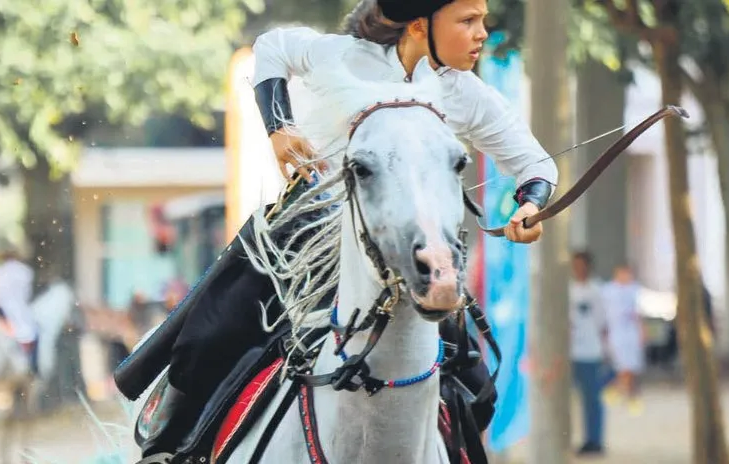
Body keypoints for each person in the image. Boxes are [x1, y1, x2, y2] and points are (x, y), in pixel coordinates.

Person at [133, 0, 559, 459]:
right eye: (468, 20)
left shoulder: (466, 93)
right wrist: (279, 128)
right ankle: (169, 448)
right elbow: (272, 47)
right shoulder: (341, 55)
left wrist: (528, 205)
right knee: (210, 334)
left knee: (476, 385)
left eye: (482, 20)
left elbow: (535, 164)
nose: (482, 33)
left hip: (415, 256)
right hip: (307, 244)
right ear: (420, 24)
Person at [568, 251, 606, 455]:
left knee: (593, 398)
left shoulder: (596, 290)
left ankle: (595, 439)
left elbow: (602, 321)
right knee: (576, 399)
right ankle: (580, 438)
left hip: (591, 351)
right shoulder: (570, 290)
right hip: (572, 351)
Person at [602, 264, 645, 415]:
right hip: (617, 333)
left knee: (631, 367)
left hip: (631, 333)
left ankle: (621, 393)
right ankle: (620, 393)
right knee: (623, 366)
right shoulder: (608, 291)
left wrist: (641, 331)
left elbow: (637, 313)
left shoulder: (634, 290)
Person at [0, 242, 38, 375]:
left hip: (6, 317)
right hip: (24, 317)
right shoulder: (25, 271)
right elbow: (28, 295)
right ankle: (33, 371)